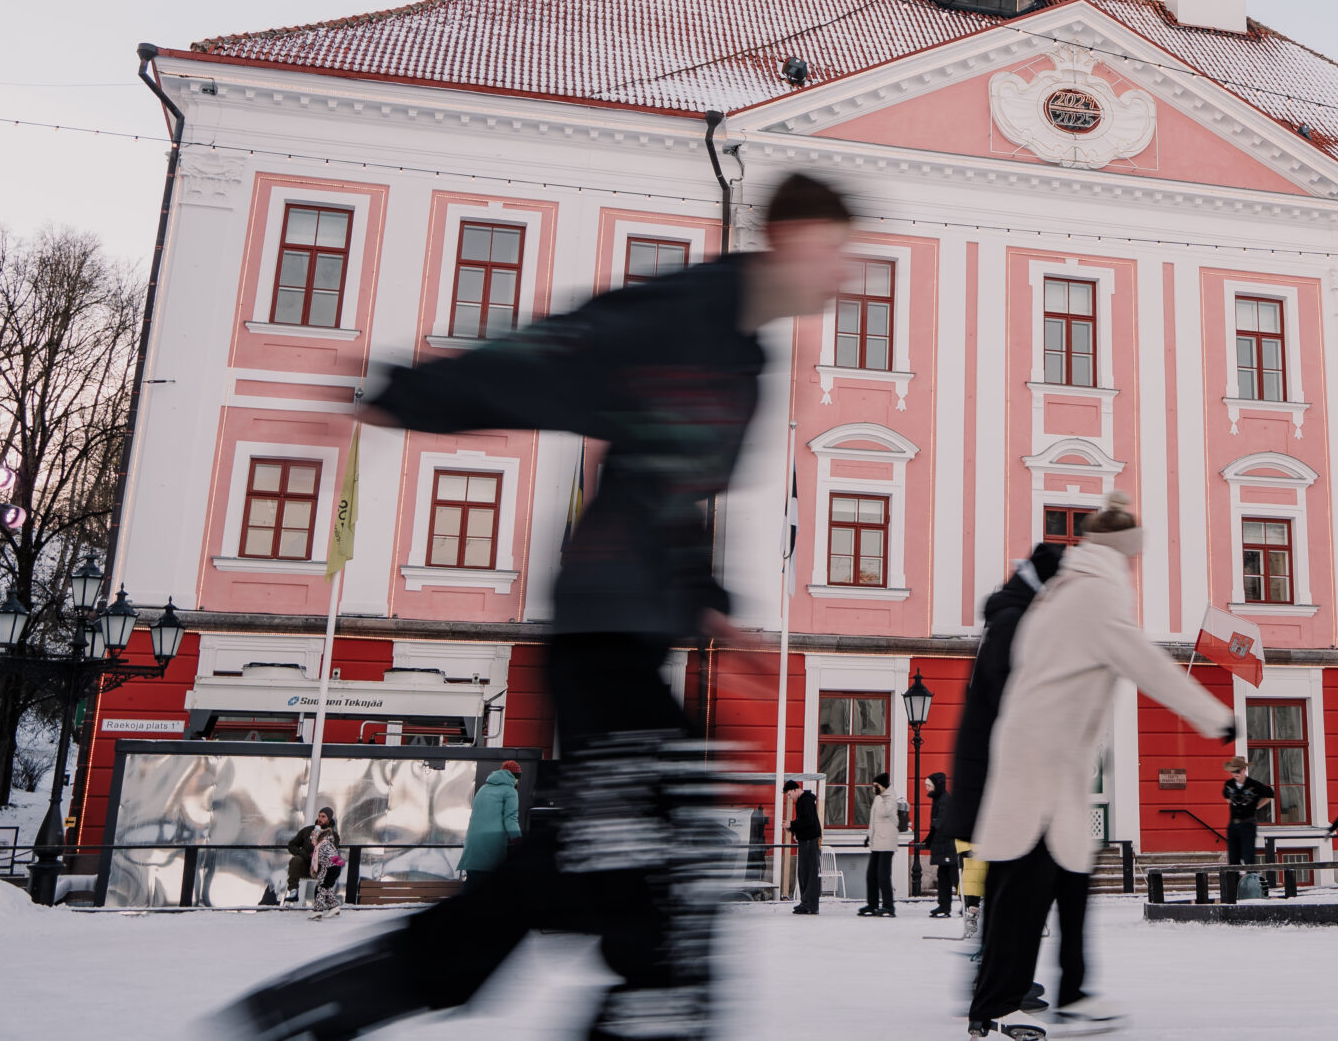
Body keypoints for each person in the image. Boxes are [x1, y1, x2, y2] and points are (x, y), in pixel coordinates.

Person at [215, 173, 858, 1041]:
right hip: (599, 635)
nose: (843, 274)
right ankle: (357, 995)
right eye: (832, 250)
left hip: (631, 634)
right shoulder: (684, 312)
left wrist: (710, 607)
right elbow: (552, 357)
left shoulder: (745, 356)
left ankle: (343, 996)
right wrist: (403, 393)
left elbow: (659, 488)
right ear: (786, 239)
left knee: (606, 864)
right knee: (651, 863)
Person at [968, 493, 1234, 1036]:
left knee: (1069, 877)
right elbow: (1142, 660)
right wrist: (1214, 717)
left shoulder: (1068, 586)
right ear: (1123, 550)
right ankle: (997, 1005)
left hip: (1046, 756)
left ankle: (1073, 993)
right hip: (1042, 761)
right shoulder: (1097, 591)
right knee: (1024, 885)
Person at [948, 541, 1069, 941]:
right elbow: (1012, 702)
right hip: (998, 779)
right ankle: (998, 987)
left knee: (1012, 883)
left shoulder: (1011, 615)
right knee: (1012, 884)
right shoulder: (1015, 620)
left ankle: (1003, 981)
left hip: (998, 778)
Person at [460, 761, 522, 881]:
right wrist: (518, 840)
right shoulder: (510, 791)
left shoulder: (484, 789)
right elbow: (510, 819)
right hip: (491, 847)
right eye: (518, 777)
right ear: (514, 777)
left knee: (472, 884)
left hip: (473, 845)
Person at [1221, 758, 1274, 893]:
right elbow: (1226, 796)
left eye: (1238, 771)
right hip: (1233, 825)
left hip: (1248, 824)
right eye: (1233, 771)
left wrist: (1257, 806)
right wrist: (1234, 805)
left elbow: (1270, 794)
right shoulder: (1229, 785)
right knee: (1233, 858)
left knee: (1248, 856)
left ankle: (1252, 889)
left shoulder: (1254, 785)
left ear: (1244, 770)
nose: (1235, 774)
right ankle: (1232, 890)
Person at [861, 772, 901, 917]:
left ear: (881, 786)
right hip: (878, 841)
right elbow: (874, 821)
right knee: (871, 875)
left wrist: (878, 797)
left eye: (875, 785)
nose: (873, 788)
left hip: (887, 842)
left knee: (883, 875)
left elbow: (884, 812)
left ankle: (888, 906)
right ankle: (872, 905)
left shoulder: (890, 798)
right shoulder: (880, 798)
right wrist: (868, 837)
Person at [925, 774, 960, 918]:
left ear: (936, 786)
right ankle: (944, 906)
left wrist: (930, 836)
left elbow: (940, 822)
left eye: (929, 785)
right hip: (943, 844)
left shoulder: (944, 800)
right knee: (943, 877)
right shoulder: (939, 798)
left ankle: (969, 904)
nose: (926, 788)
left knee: (955, 878)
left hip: (948, 845)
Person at [787, 779, 825, 914]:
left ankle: (810, 904)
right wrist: (794, 829)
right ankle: (806, 902)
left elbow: (808, 821)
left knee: (809, 872)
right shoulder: (804, 801)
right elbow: (806, 821)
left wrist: (792, 825)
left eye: (789, 794)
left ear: (794, 790)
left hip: (810, 840)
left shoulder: (806, 801)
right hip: (807, 840)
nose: (789, 797)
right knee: (804, 872)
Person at [287, 806, 336, 908]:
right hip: (306, 865)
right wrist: (302, 853)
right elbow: (292, 845)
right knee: (296, 860)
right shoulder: (307, 831)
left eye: (323, 816)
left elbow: (332, 852)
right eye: (319, 816)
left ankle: (325, 902)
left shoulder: (332, 835)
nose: (320, 819)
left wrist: (317, 845)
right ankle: (293, 891)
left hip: (321, 868)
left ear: (329, 819)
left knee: (327, 871)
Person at [309, 813, 347, 919]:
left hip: (331, 869)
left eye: (314, 836)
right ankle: (334, 907)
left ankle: (317, 911)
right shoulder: (319, 846)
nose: (312, 839)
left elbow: (331, 854)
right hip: (328, 868)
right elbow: (320, 854)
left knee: (321, 888)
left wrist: (335, 860)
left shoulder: (325, 843)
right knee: (326, 888)